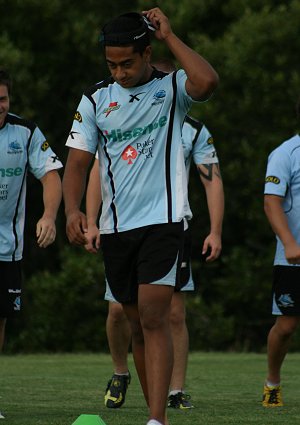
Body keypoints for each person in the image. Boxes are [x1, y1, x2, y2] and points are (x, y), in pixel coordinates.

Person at [62, 8, 218, 425]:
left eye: (127, 63)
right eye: (111, 65)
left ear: (147, 53)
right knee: (134, 322)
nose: (119, 73)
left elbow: (207, 81)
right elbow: (77, 162)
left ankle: (156, 420)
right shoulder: (96, 99)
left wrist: (172, 36)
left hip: (163, 222)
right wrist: (74, 210)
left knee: (154, 315)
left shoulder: (172, 87)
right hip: (115, 229)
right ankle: (154, 417)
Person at [0, 68, 63, 419]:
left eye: (3, 99)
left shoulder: (24, 132)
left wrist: (49, 216)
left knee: (0, 322)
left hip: (7, 248)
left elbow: (51, 174)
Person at [262, 98, 300, 407]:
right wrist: (289, 243)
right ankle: (272, 381)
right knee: (286, 326)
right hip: (293, 260)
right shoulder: (285, 154)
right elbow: (271, 202)